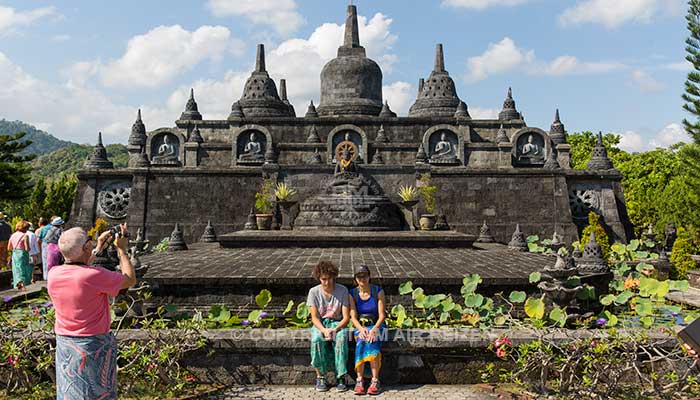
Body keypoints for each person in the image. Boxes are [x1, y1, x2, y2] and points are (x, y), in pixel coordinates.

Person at [48, 224, 136, 400]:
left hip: (66, 345)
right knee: (97, 393)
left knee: (70, 391)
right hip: (92, 345)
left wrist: (97, 247)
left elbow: (78, 265)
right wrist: (122, 250)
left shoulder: (53, 274)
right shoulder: (94, 275)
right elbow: (129, 279)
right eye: (89, 241)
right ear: (85, 247)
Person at [307, 260, 351, 392]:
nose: (327, 282)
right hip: (321, 324)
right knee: (316, 340)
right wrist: (324, 330)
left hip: (338, 323)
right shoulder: (314, 292)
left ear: (334, 277)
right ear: (319, 278)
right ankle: (320, 376)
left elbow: (346, 317)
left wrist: (335, 329)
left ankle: (341, 376)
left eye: (330, 278)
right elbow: (314, 317)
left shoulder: (342, 290)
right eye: (324, 279)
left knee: (342, 338)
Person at [349, 265, 386, 395]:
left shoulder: (377, 291)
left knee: (372, 340)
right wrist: (360, 328)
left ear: (369, 277)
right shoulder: (352, 293)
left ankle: (375, 380)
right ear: (355, 279)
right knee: (361, 339)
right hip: (361, 325)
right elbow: (353, 317)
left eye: (365, 276)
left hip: (377, 324)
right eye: (359, 276)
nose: (362, 279)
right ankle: (359, 380)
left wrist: (374, 329)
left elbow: (382, 315)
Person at [8, 220, 32, 289]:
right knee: (24, 271)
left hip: (15, 254)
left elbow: (9, 248)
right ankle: (25, 286)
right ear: (24, 228)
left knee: (17, 271)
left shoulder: (12, 235)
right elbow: (27, 248)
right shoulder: (25, 236)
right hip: (23, 255)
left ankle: (17, 285)